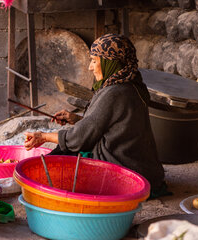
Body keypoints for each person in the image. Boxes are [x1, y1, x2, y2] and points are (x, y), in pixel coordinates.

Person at [24, 33, 165, 193]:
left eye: (94, 61)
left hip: (123, 169)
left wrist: (42, 136)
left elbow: (78, 138)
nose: (90, 67)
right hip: (145, 169)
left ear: (109, 63)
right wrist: (76, 119)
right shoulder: (133, 84)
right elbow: (114, 125)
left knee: (57, 164)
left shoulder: (114, 92)